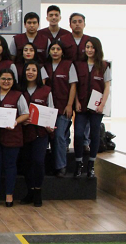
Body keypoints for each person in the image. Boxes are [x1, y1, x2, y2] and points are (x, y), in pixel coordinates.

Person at [0, 69, 30, 207]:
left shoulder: (18, 95)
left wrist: (15, 121)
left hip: (12, 136)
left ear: (13, 81)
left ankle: (9, 194)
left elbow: (26, 114)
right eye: (3, 79)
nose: (6, 82)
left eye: (9, 79)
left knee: (10, 166)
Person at [73, 37, 111, 178]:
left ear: (97, 49)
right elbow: (75, 86)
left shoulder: (104, 66)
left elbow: (107, 87)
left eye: (92, 47)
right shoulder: (79, 65)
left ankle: (91, 165)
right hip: (81, 106)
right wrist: (76, 101)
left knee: (95, 135)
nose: (89, 50)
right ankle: (78, 163)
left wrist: (102, 104)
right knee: (78, 134)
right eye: (87, 47)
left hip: (96, 108)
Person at [20, 60, 55, 207]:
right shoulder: (19, 90)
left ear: (38, 73)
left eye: (34, 70)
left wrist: (50, 126)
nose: (30, 72)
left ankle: (38, 191)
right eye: (28, 69)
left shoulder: (46, 90)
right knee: (26, 163)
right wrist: (21, 120)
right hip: (23, 133)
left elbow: (51, 110)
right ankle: (30, 191)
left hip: (41, 133)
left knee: (39, 162)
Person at [45, 40, 77, 177]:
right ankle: (50, 166)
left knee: (59, 137)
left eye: (58, 49)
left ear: (62, 52)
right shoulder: (44, 66)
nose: (55, 51)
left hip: (63, 108)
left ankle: (61, 167)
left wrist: (70, 105)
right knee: (47, 137)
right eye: (53, 49)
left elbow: (73, 86)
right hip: (47, 109)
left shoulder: (69, 65)